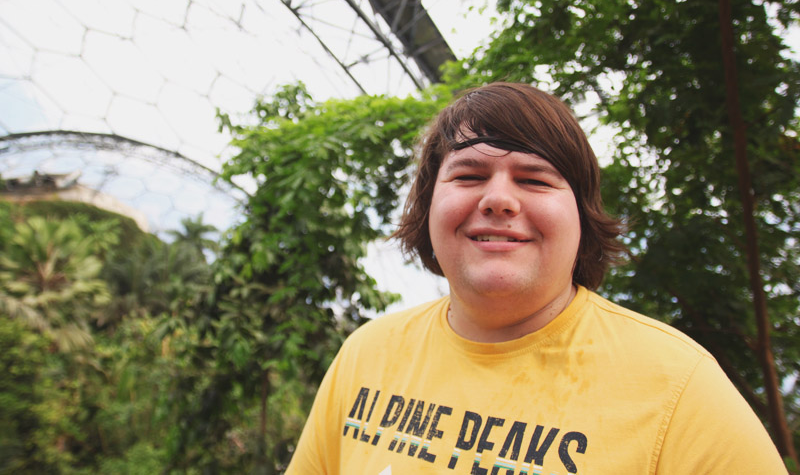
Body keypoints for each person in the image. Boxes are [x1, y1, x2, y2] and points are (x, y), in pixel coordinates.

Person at [286, 82, 787, 474]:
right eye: (468, 175)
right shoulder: (367, 354)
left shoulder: (679, 388)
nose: (499, 199)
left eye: (534, 179)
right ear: (428, 205)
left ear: (582, 215)